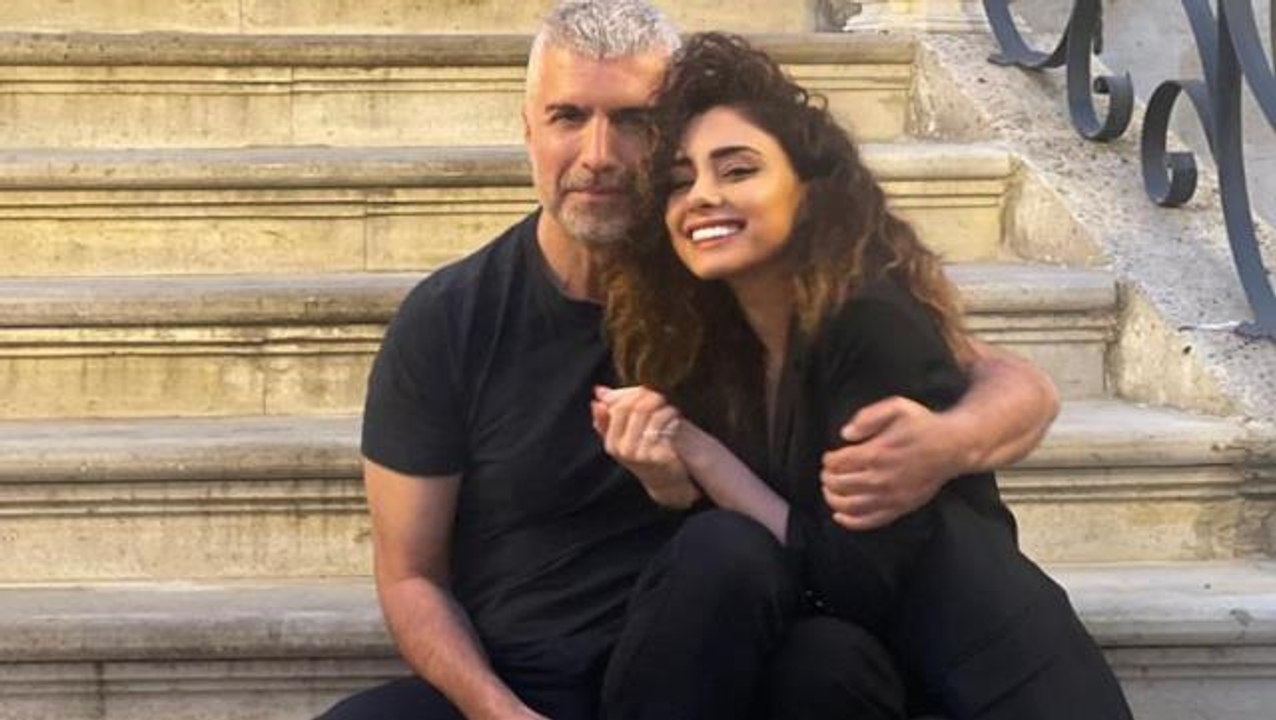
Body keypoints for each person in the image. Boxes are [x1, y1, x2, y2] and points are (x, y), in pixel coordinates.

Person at [318, 2, 1061, 718]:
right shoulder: (451, 317)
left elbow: (1011, 383)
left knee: (763, 589)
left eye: (634, 121)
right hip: (528, 677)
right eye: (569, 117)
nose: (599, 156)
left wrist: (945, 444)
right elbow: (410, 575)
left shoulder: (732, 274)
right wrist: (497, 711)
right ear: (528, 130)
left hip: (724, 657)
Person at [593, 32, 1132, 719]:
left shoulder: (870, 323)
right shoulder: (716, 347)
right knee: (809, 657)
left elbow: (847, 579)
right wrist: (672, 471)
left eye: (737, 170)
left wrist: (700, 455)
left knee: (799, 637)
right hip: (874, 669)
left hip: (996, 690)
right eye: (680, 181)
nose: (701, 196)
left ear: (811, 193)